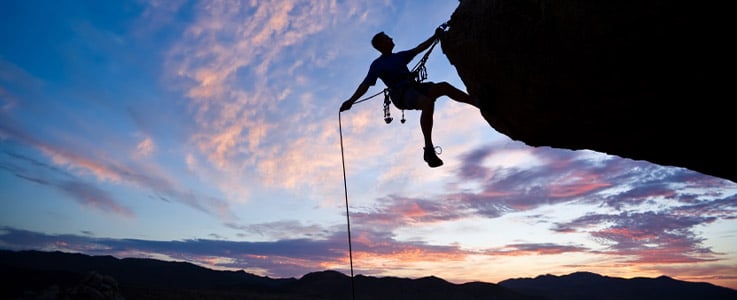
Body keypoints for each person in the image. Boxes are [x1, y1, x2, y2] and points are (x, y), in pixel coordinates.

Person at [340, 27, 479, 168]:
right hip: (401, 94)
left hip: (413, 88)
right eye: (388, 38)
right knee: (427, 103)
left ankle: (477, 102)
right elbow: (366, 84)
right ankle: (429, 149)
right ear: (381, 45)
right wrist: (351, 101)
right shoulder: (377, 65)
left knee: (443, 86)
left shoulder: (399, 56)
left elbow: (419, 49)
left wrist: (435, 36)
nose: (391, 39)